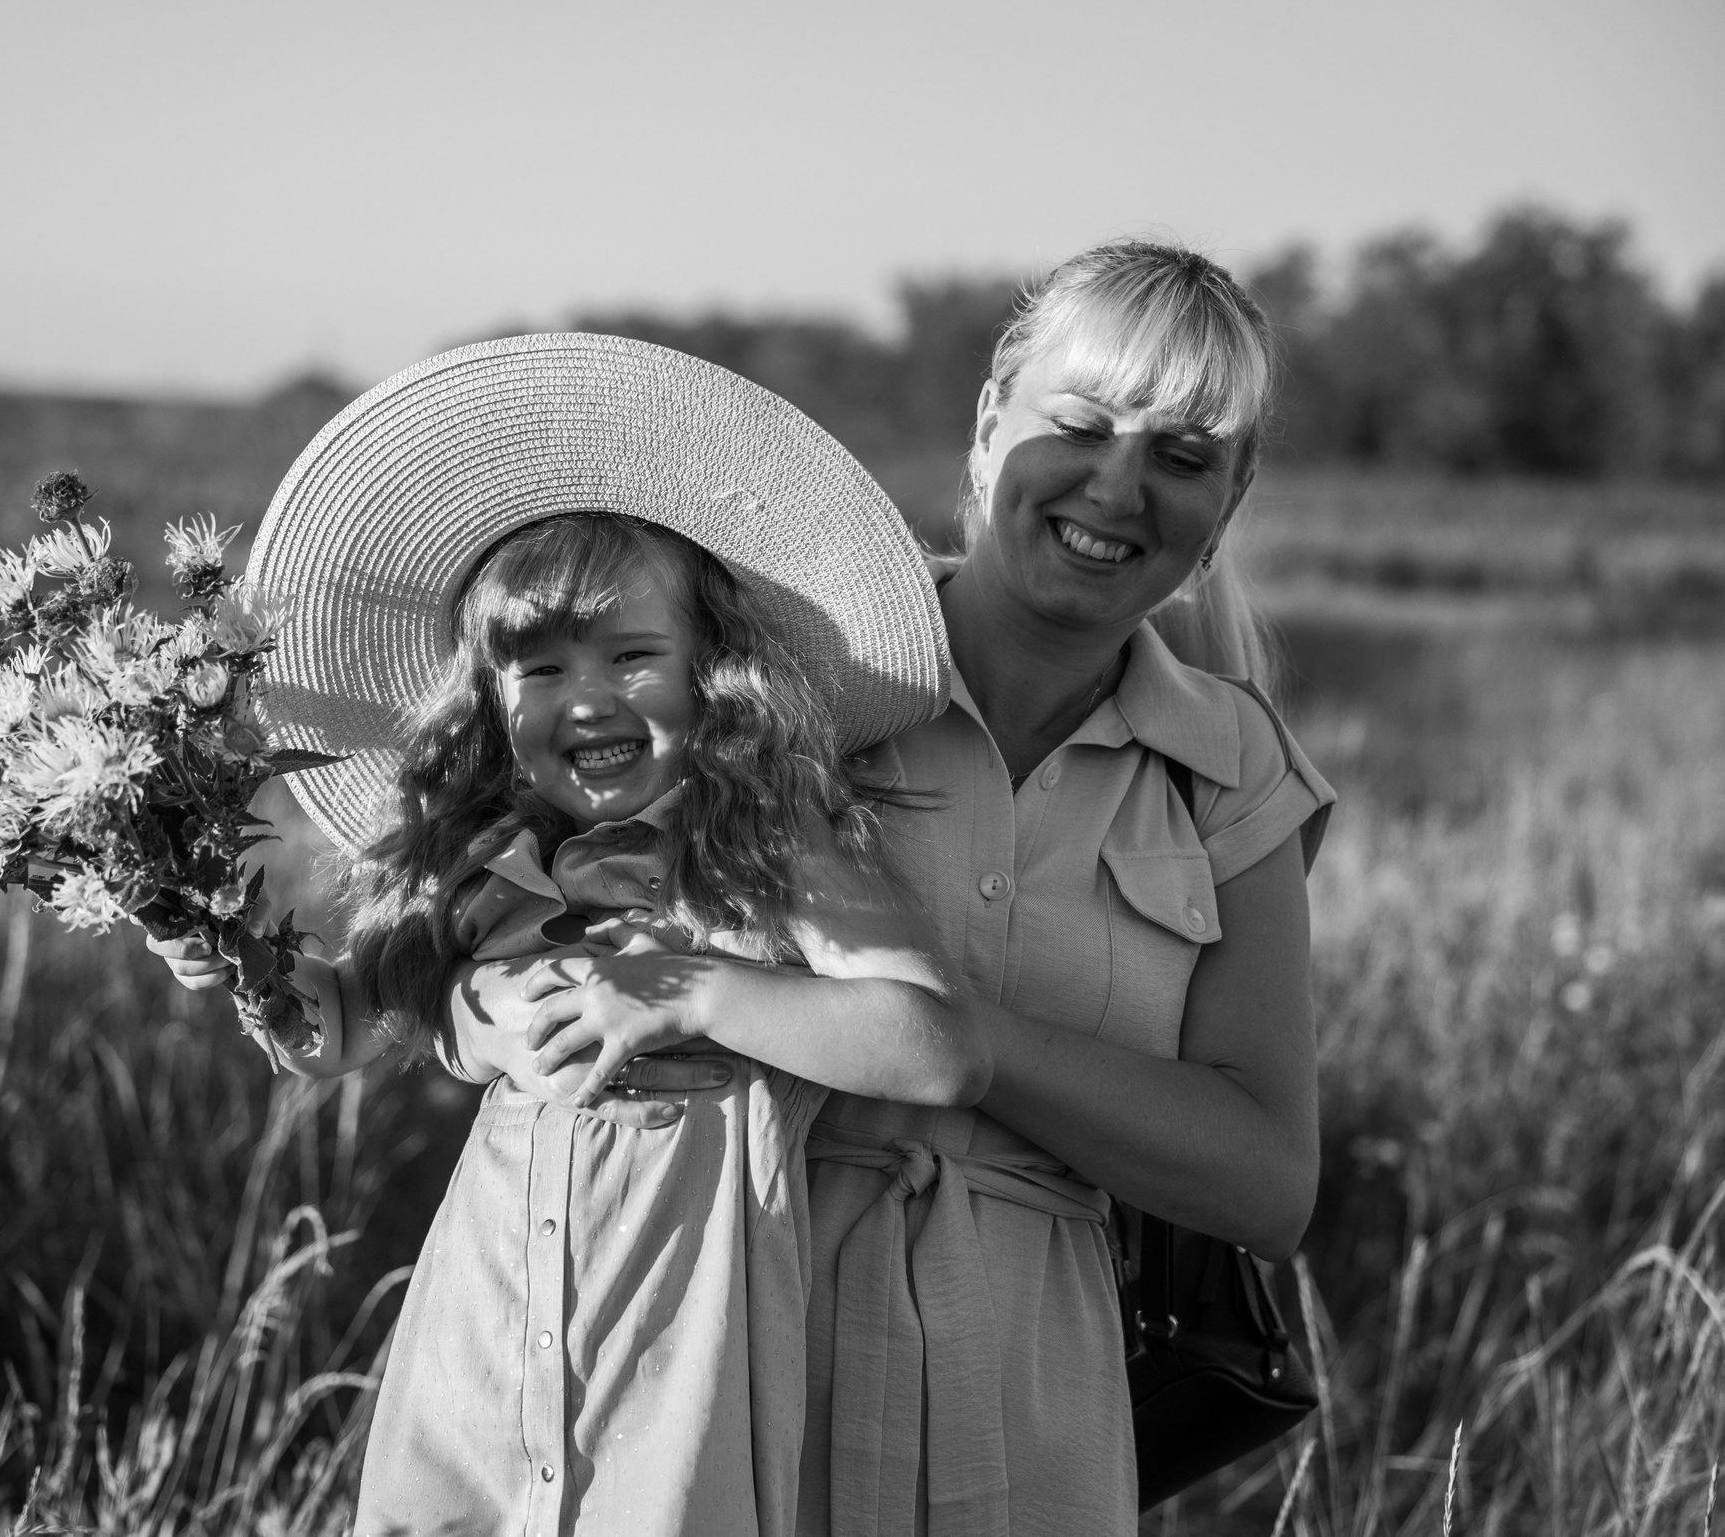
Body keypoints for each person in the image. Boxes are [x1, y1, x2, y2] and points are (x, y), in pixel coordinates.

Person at [462, 242, 1335, 1534]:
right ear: (990, 429)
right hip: (728, 1355)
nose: (1117, 484)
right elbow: (502, 945)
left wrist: (966, 1048)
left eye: (1184, 457)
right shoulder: (789, 687)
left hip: (1037, 1405)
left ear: (1235, 495)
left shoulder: (1234, 767)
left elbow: (1267, 1177)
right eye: (1080, 424)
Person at [148, 335, 981, 1536]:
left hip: (679, 1343)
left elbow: (936, 1050)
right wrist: (230, 949)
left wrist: (685, 986)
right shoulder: (481, 862)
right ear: (488, 700)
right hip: (484, 1335)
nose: (586, 697)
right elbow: (339, 1028)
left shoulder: (764, 841)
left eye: (633, 656)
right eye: (538, 666)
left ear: (713, 672)